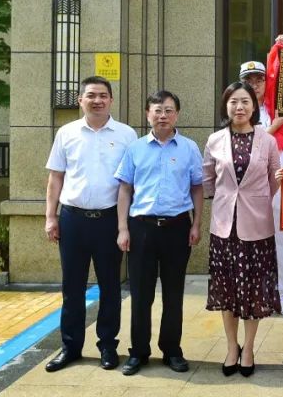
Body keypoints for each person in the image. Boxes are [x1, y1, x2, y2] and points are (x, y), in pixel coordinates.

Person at [43, 76, 138, 373]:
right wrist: (50, 216)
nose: (97, 100)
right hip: (73, 219)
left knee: (110, 287)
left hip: (109, 220)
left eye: (103, 95)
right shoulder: (66, 133)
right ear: (80, 100)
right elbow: (56, 177)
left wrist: (125, 225)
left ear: (111, 100)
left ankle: (108, 346)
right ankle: (70, 348)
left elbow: (131, 182)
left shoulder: (126, 135)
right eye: (91, 95)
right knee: (72, 287)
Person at [114, 90, 204, 376]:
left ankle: (172, 350)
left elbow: (197, 187)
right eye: (157, 110)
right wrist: (122, 228)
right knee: (141, 294)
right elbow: (125, 189)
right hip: (141, 228)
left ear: (177, 114)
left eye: (168, 110)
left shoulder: (189, 148)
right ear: (148, 114)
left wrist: (197, 224)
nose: (162, 115)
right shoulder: (135, 148)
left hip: (177, 227)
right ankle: (139, 352)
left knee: (174, 293)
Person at [202, 81, 281, 378]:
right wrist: (225, 200)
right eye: (233, 101)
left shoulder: (267, 140)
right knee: (228, 289)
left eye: (245, 101)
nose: (239, 107)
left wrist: (255, 200)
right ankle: (231, 347)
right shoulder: (215, 139)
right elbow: (207, 179)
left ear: (254, 106)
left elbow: (274, 180)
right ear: (226, 106)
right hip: (224, 228)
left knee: (253, 289)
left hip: (257, 226)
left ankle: (248, 348)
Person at [241, 60, 283, 317]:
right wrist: (274, 127)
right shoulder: (238, 110)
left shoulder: (279, 104)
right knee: (252, 243)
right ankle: (256, 294)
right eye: (249, 80)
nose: (255, 85)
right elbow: (249, 143)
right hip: (250, 190)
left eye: (259, 80)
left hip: (281, 184)